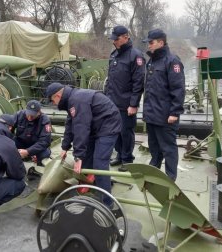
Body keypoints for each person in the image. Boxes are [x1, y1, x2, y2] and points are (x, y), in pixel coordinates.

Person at [45, 82, 122, 206]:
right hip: (96, 125)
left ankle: (107, 203)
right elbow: (70, 125)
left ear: (57, 96)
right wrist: (65, 147)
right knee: (86, 159)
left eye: (52, 100)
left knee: (99, 163)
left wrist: (78, 156)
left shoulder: (77, 100)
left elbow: (81, 127)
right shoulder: (72, 100)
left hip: (108, 126)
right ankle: (94, 184)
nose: (53, 104)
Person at [142, 29, 185, 181]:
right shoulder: (152, 61)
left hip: (166, 115)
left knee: (168, 148)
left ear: (161, 42)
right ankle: (155, 170)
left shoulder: (172, 61)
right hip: (152, 113)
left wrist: (174, 112)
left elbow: (178, 88)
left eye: (151, 42)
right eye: (148, 43)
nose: (149, 46)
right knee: (154, 147)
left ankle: (170, 178)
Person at [105, 25, 145, 172]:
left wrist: (133, 104)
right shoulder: (114, 55)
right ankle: (120, 156)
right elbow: (110, 80)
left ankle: (128, 160)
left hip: (126, 103)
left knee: (126, 132)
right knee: (115, 131)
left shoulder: (136, 56)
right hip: (112, 102)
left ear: (125, 37)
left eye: (116, 39)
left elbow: (138, 82)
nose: (113, 41)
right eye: (113, 39)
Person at [10, 100, 52, 167]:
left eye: (33, 115)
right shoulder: (19, 115)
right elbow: (8, 128)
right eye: (28, 114)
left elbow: (45, 141)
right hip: (20, 142)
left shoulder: (45, 120)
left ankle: (39, 171)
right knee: (7, 147)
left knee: (45, 155)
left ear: (39, 112)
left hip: (36, 145)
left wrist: (28, 151)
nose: (29, 117)